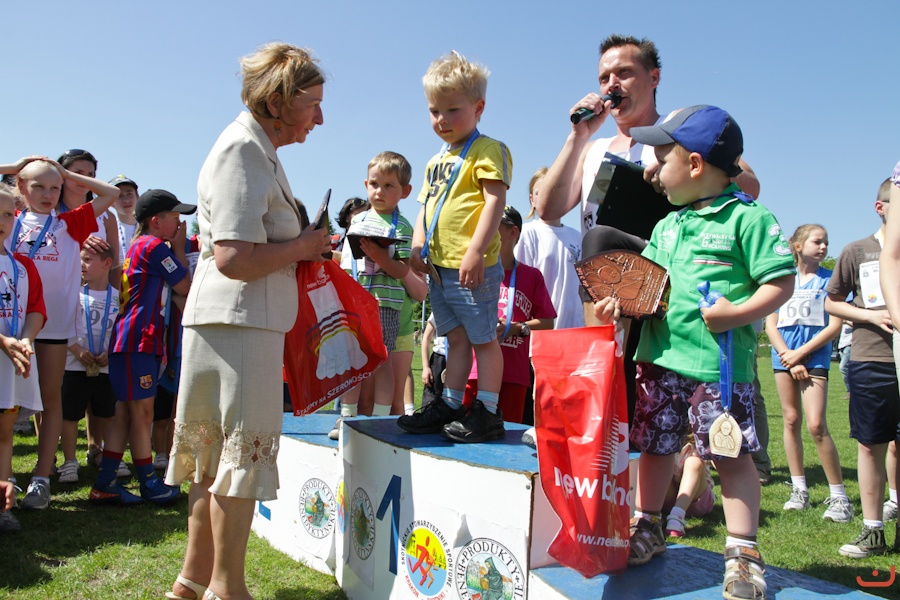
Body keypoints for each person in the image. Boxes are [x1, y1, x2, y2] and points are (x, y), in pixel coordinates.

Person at [593, 105, 794, 600]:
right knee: (655, 447)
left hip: (717, 371)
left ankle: (743, 552)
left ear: (696, 164)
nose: (653, 170)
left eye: (662, 159)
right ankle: (648, 525)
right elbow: (649, 289)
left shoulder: (748, 218)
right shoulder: (668, 225)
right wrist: (620, 304)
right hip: (659, 364)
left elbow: (781, 283)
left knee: (730, 454)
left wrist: (735, 313)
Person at [164, 43, 330, 600]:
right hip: (239, 325)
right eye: (312, 104)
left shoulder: (256, 148)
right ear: (278, 101)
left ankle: (193, 581)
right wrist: (305, 245)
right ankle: (227, 589)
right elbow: (234, 257)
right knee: (238, 461)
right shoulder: (244, 149)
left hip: (231, 323)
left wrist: (302, 247)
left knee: (213, 460)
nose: (320, 118)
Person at [399, 50, 513, 443]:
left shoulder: (488, 150)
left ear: (478, 108)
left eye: (452, 110)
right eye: (434, 111)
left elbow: (495, 200)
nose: (442, 119)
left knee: (483, 338)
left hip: (471, 266)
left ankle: (489, 411)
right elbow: (425, 206)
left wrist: (476, 250)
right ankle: (449, 402)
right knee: (455, 338)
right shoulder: (435, 161)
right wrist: (417, 243)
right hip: (439, 267)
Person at [1, 156, 119, 510]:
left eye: (55, 187)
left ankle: (41, 478)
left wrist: (65, 173)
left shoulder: (70, 223)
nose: (48, 194)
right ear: (21, 188)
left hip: (54, 326)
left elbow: (110, 193)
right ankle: (7, 477)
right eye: (38, 186)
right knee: (8, 403)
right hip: (10, 328)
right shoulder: (9, 219)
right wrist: (14, 167)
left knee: (50, 400)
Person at [89, 189, 194, 506]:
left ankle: (105, 483)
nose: (179, 223)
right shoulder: (153, 246)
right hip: (139, 340)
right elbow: (185, 286)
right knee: (143, 413)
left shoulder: (140, 244)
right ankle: (149, 483)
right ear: (155, 221)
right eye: (174, 217)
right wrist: (178, 249)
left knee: (125, 412)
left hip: (131, 339)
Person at [827, 176, 899, 557]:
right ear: (881, 207)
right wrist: (870, 316)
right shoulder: (857, 250)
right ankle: (873, 531)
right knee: (871, 444)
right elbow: (832, 302)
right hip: (871, 359)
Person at [764, 225, 849, 521]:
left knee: (816, 425)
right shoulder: (781, 278)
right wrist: (788, 356)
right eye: (817, 241)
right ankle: (799, 489)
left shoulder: (830, 280)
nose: (824, 247)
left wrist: (801, 354)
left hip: (814, 358)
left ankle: (839, 496)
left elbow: (834, 326)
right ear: (797, 245)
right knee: (790, 420)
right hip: (784, 357)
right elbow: (771, 324)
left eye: (826, 242)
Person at [330, 151, 418, 436]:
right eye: (375, 184)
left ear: (405, 191)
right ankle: (346, 418)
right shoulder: (357, 222)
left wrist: (380, 257)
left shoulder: (402, 226)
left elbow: (402, 270)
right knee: (352, 361)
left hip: (384, 305)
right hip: (355, 303)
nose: (379, 191)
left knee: (381, 362)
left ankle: (380, 420)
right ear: (366, 184)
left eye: (389, 185)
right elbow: (347, 265)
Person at [463, 206, 555, 423]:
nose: (485, 230)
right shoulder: (475, 269)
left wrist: (517, 328)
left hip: (513, 373)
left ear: (513, 232)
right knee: (465, 429)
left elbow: (548, 322)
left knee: (507, 433)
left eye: (494, 225)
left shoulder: (532, 276)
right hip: (474, 369)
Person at [0, 184, 46, 533]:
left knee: (5, 433)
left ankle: (3, 505)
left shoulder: (24, 265)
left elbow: (35, 310)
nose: (1, 221)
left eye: (7, 214)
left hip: (11, 363)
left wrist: (26, 340)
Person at [59, 244, 120, 484]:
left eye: (87, 260)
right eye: (80, 260)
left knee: (108, 414)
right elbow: (62, 325)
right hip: (74, 366)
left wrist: (110, 353)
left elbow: (120, 331)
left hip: (106, 367)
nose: (81, 265)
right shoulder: (73, 294)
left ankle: (111, 458)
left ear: (107, 264)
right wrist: (76, 349)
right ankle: (69, 461)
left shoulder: (118, 297)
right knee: (70, 415)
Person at [515, 167, 583, 330]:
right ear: (532, 199)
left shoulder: (578, 237)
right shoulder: (527, 233)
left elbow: (583, 288)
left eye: (552, 191)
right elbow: (520, 286)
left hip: (574, 329)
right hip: (541, 332)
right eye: (540, 192)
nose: (548, 196)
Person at [57, 150, 121, 287]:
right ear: (63, 174)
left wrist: (116, 296)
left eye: (90, 175)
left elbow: (114, 264)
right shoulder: (48, 211)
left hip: (94, 294)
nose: (84, 179)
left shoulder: (107, 217)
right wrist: (79, 237)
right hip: (56, 286)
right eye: (78, 173)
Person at [663, 436, 716, 538]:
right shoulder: (665, 439)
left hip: (698, 500)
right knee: (658, 460)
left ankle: (676, 518)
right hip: (669, 499)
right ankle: (650, 515)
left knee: (693, 462)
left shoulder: (701, 437)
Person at [109, 174, 139, 265]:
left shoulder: (148, 227)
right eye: (120, 196)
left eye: (129, 194)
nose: (126, 200)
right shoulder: (108, 229)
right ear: (111, 202)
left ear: (137, 197)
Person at [420, 312, 448, 408]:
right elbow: (426, 339)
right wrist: (426, 367)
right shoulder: (439, 310)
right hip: (439, 360)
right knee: (432, 399)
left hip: (460, 360)